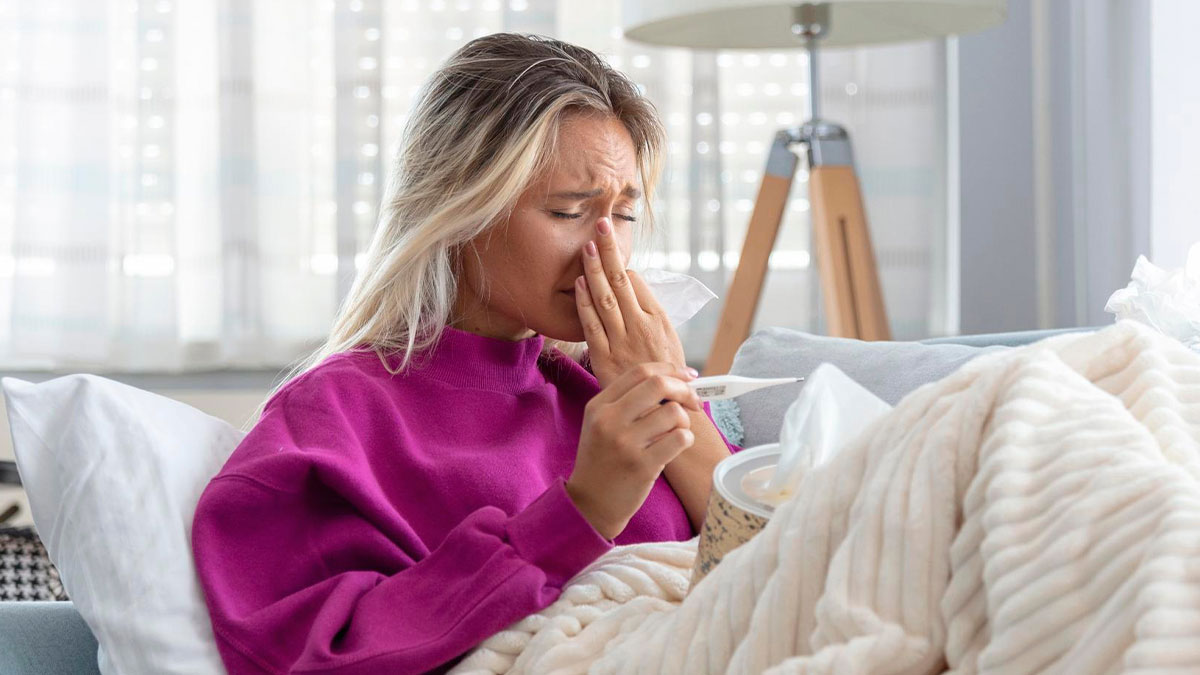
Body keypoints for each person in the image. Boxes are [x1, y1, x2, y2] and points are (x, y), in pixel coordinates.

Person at [190, 32, 742, 674]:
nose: (607, 252)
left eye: (622, 213)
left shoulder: (614, 389)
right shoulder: (334, 417)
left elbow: (787, 565)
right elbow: (316, 653)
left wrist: (672, 392)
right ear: (459, 211)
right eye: (568, 211)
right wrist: (584, 508)